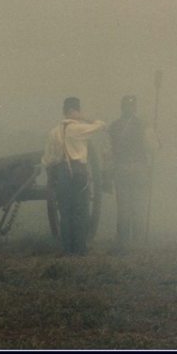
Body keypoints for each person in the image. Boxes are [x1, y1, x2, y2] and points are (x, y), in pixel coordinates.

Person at [42, 97, 106, 255]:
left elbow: (47, 160)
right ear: (75, 111)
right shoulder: (77, 128)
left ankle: (67, 249)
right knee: (80, 211)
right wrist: (85, 118)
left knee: (65, 212)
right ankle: (80, 249)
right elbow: (101, 125)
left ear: (64, 111)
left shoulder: (53, 132)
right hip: (78, 173)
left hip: (61, 174)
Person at [107, 95, 156, 252]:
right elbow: (153, 146)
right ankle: (138, 240)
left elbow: (107, 151)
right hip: (139, 168)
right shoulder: (143, 125)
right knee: (138, 205)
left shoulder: (113, 126)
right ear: (135, 108)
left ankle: (123, 240)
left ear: (121, 108)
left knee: (123, 206)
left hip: (121, 168)